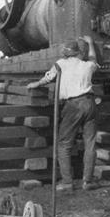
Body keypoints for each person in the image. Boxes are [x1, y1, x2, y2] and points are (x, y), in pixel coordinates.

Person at [27, 36, 101, 192]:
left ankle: (67, 182)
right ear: (78, 52)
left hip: (72, 106)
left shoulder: (60, 64)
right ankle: (88, 181)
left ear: (66, 53)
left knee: (64, 144)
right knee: (90, 143)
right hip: (89, 103)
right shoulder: (87, 65)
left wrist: (37, 83)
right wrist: (90, 43)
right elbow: (93, 59)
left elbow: (49, 77)